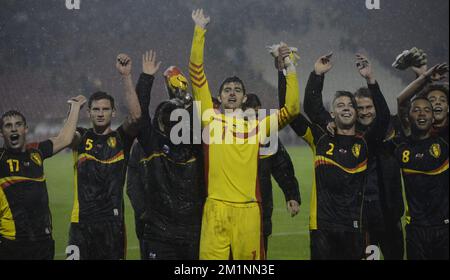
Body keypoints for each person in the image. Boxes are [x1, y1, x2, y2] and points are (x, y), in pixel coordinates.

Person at [189, 9, 300, 260]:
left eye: (237, 90)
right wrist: (199, 31)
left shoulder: (258, 125)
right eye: (227, 89)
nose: (231, 92)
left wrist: (290, 67)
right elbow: (196, 72)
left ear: (244, 97)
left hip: (249, 211)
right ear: (218, 97)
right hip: (215, 207)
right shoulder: (209, 116)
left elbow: (292, 109)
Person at [279, 50, 390, 259]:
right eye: (340, 105)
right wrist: (314, 75)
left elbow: (383, 118)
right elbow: (292, 112)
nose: (346, 109)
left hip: (355, 227)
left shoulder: (365, 142)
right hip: (322, 226)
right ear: (332, 113)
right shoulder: (320, 139)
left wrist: (371, 80)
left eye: (350, 106)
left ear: (356, 113)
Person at [67, 54, 141, 260]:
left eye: (105, 109)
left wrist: (126, 77)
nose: (100, 113)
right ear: (89, 112)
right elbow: (65, 138)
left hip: (112, 224)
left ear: (113, 112)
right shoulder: (80, 137)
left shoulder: (120, 139)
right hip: (80, 222)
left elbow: (136, 116)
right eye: (96, 109)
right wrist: (74, 109)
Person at [134, 50, 205, 260]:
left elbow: (206, 117)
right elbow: (140, 115)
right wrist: (146, 78)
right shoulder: (153, 145)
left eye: (178, 119)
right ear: (160, 121)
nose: (173, 122)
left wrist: (186, 99)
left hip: (191, 232)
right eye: (168, 118)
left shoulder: (196, 147)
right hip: (161, 234)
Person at [0, 95, 86, 259]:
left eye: (18, 125)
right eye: (8, 126)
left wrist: (75, 108)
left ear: (26, 128)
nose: (13, 129)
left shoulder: (36, 152)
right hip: (12, 244)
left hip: (43, 241)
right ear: (1, 132)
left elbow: (65, 139)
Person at [389, 97, 448, 259]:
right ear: (408, 117)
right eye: (416, 110)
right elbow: (401, 99)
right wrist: (424, 77)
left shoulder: (444, 143)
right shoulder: (401, 147)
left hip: (444, 227)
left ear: (433, 117)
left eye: (427, 110)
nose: (422, 113)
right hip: (415, 228)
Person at [244, 93, 301, 255]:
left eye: (257, 115)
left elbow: (282, 167)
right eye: (250, 115)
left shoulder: (267, 136)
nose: (255, 119)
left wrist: (292, 195)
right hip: (233, 207)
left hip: (261, 208)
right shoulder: (225, 134)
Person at [125, 141, 146, 259]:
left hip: (181, 228)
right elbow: (132, 186)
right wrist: (144, 214)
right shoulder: (139, 147)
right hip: (148, 226)